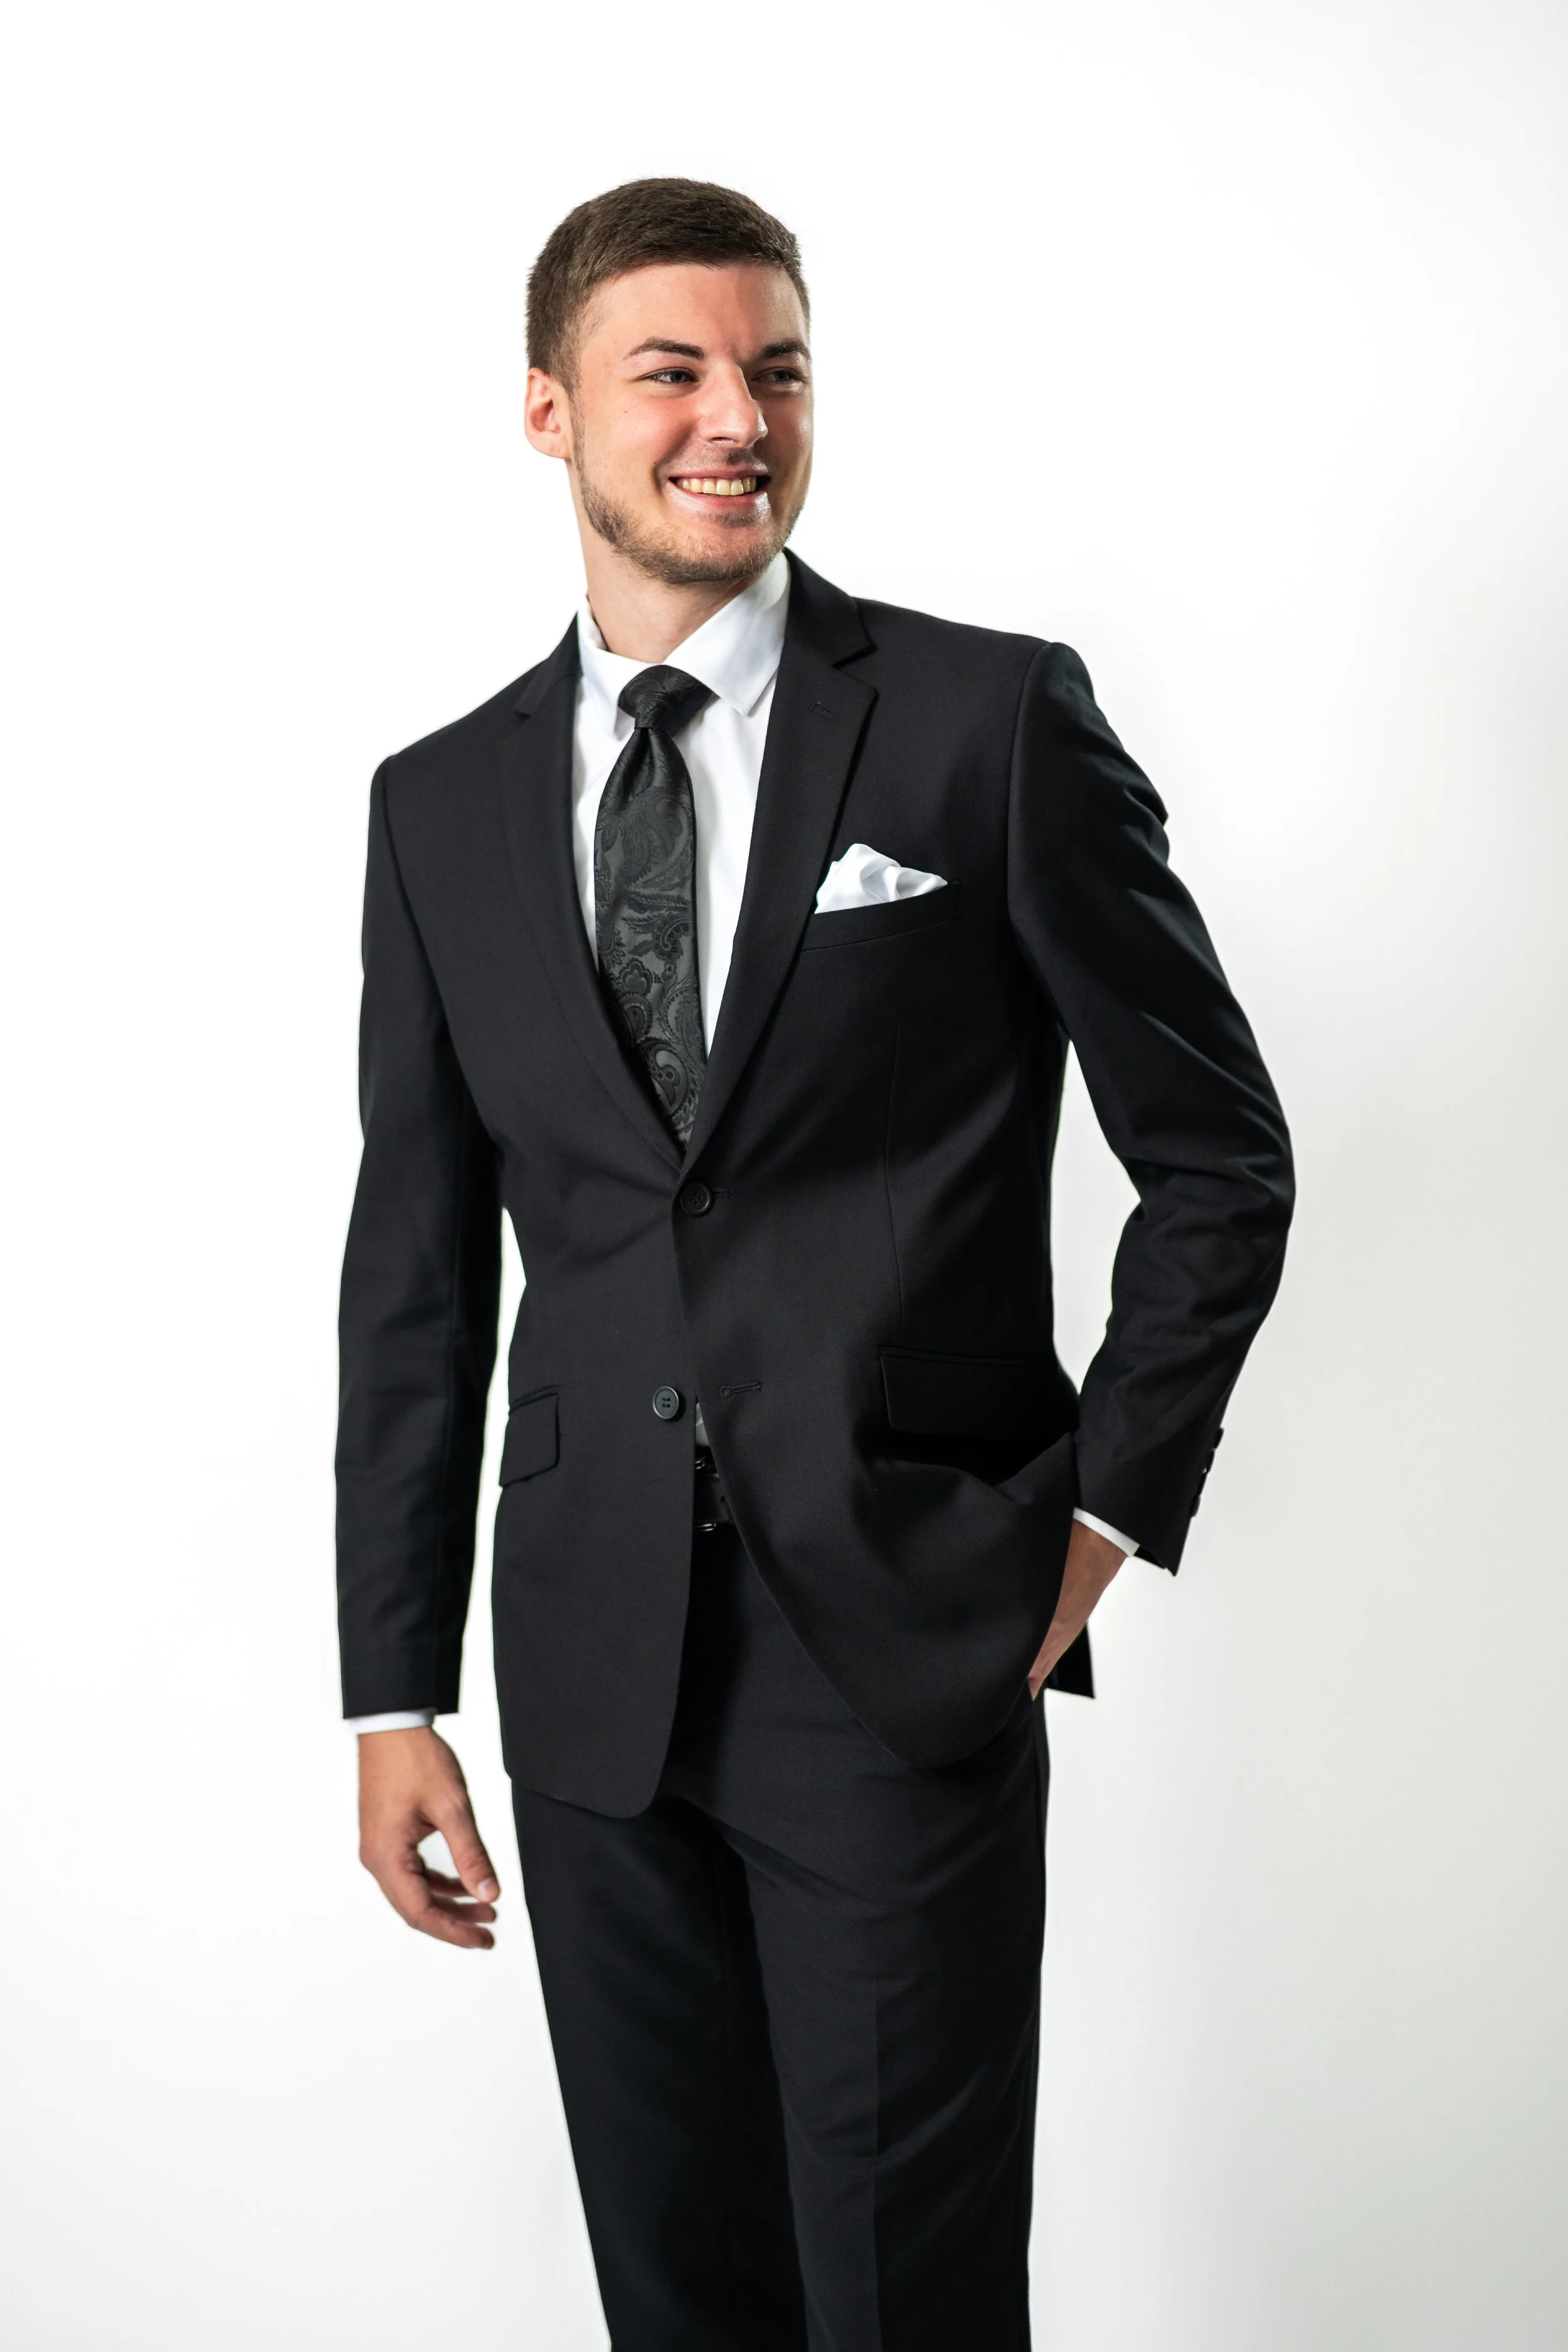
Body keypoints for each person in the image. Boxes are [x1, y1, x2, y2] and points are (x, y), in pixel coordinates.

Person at [337, 177, 1293, 2351]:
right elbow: (413, 1271)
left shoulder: (984, 721)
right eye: (667, 369)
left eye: (774, 368)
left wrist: (1097, 1511)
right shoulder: (437, 806)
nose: (731, 417)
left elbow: (1218, 1157)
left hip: (899, 1638)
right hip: (587, 1669)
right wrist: (390, 1688)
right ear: (547, 412)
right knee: (681, 2297)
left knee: (908, 2301)